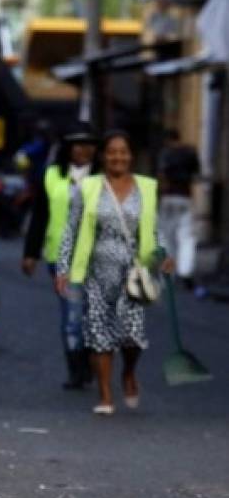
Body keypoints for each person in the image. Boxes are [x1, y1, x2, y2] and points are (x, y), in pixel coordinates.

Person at [57, 130, 174, 415]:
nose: (117, 157)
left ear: (131, 156)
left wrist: (163, 255)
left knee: (132, 336)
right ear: (103, 156)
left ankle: (129, 372)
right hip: (97, 272)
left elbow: (155, 229)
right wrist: (64, 268)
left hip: (133, 271)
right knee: (99, 334)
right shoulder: (88, 188)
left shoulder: (146, 188)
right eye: (112, 152)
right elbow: (70, 230)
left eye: (123, 152)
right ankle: (106, 396)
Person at [22, 123, 98, 389]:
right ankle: (76, 369)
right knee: (72, 316)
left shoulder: (106, 178)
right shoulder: (52, 175)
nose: (83, 149)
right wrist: (31, 253)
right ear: (67, 148)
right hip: (61, 258)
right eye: (77, 143)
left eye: (89, 143)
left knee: (92, 315)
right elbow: (40, 215)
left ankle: (88, 358)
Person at [157, 129, 201, 293]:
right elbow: (197, 174)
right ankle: (185, 271)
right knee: (186, 237)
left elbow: (161, 175)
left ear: (168, 140)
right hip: (185, 197)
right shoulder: (190, 153)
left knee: (168, 238)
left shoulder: (165, 154)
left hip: (168, 198)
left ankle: (168, 274)